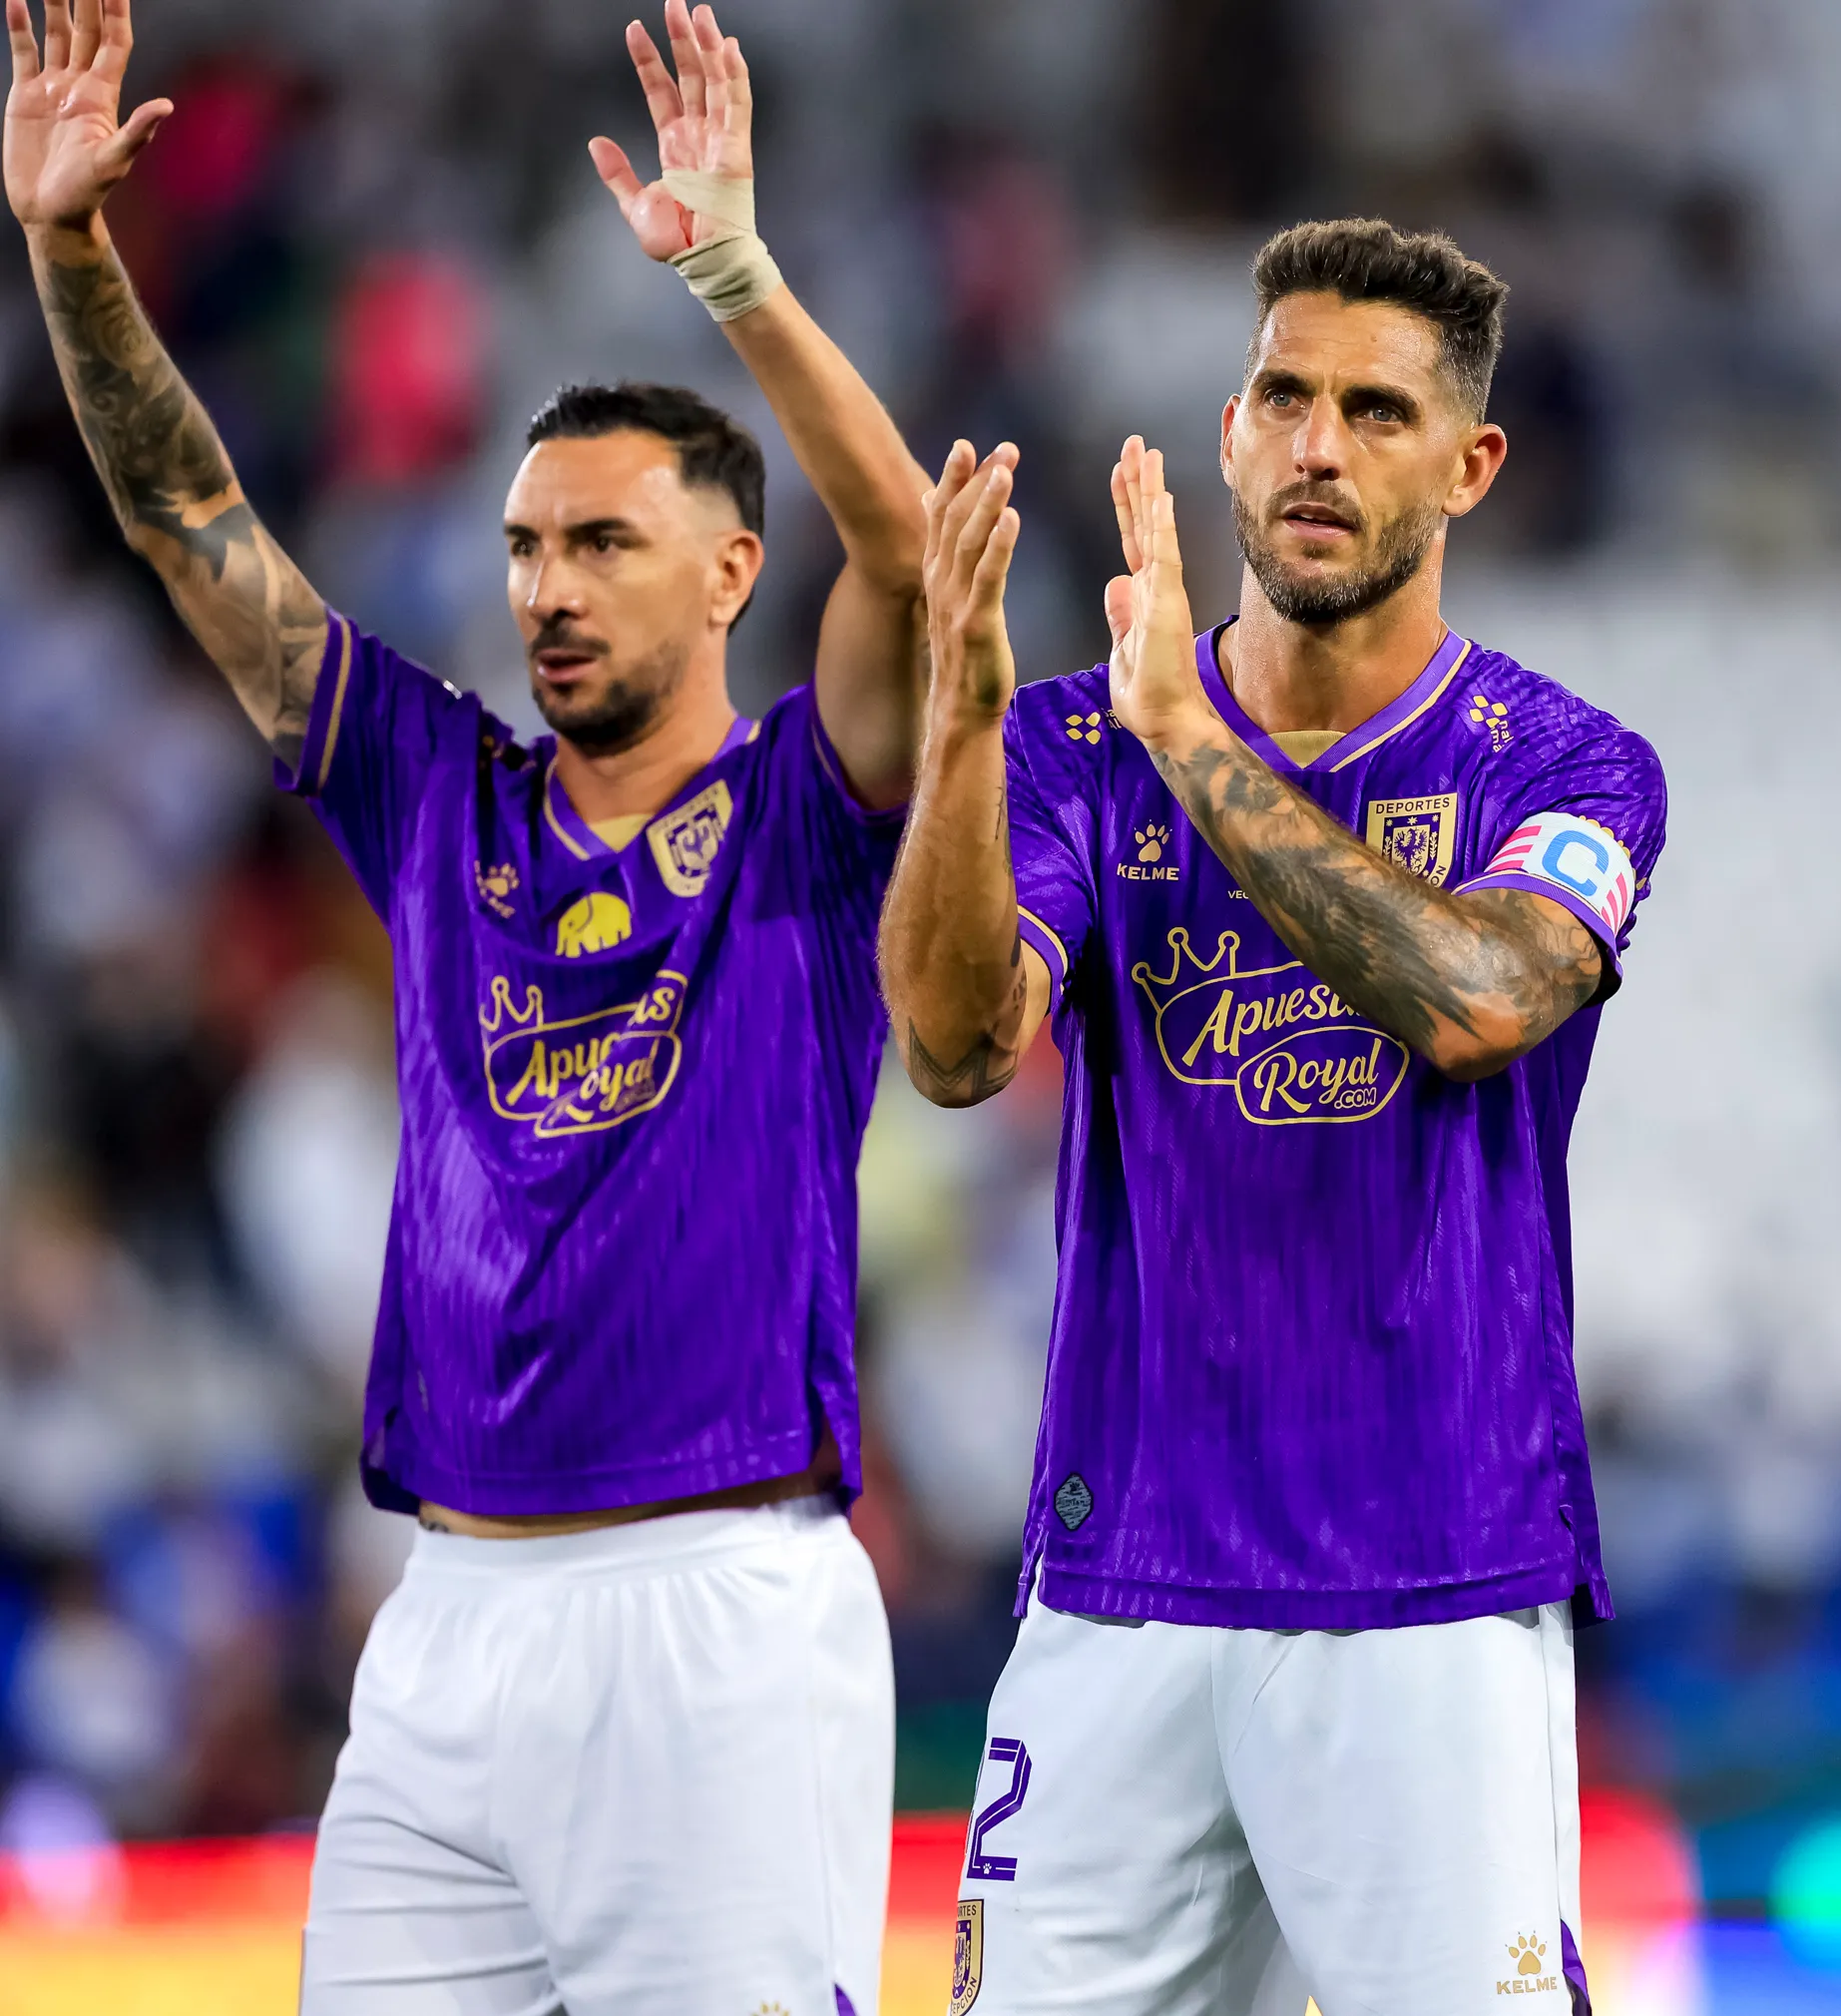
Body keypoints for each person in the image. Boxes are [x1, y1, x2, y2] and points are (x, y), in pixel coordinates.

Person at [7, 2, 928, 2007]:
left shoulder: (804, 811)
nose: (547, 588)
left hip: (717, 1611)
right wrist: (73, 254)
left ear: (727, 573)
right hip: (441, 1616)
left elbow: (910, 557)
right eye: (524, 547)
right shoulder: (435, 798)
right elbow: (193, 529)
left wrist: (738, 281)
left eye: (605, 541)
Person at [879, 219, 1667, 2015]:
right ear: (1229, 431)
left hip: (1431, 1586)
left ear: (1468, 466)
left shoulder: (1564, 764)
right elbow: (947, 1043)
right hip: (1120, 1589)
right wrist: (961, 726)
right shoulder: (1078, 749)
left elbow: (1478, 999)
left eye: (1378, 413)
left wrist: (1197, 748)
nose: (1320, 446)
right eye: (1287, 398)